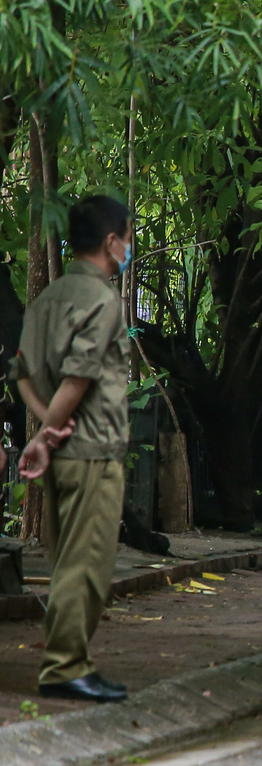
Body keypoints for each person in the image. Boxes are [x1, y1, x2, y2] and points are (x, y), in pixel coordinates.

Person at [12, 196, 136, 704]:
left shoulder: (46, 297)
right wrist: (47, 434)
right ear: (111, 241)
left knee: (67, 560)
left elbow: (21, 376)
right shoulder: (102, 300)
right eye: (127, 238)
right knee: (86, 566)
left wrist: (44, 429)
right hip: (91, 451)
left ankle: (74, 662)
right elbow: (79, 380)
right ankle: (64, 666)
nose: (129, 247)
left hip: (64, 449)